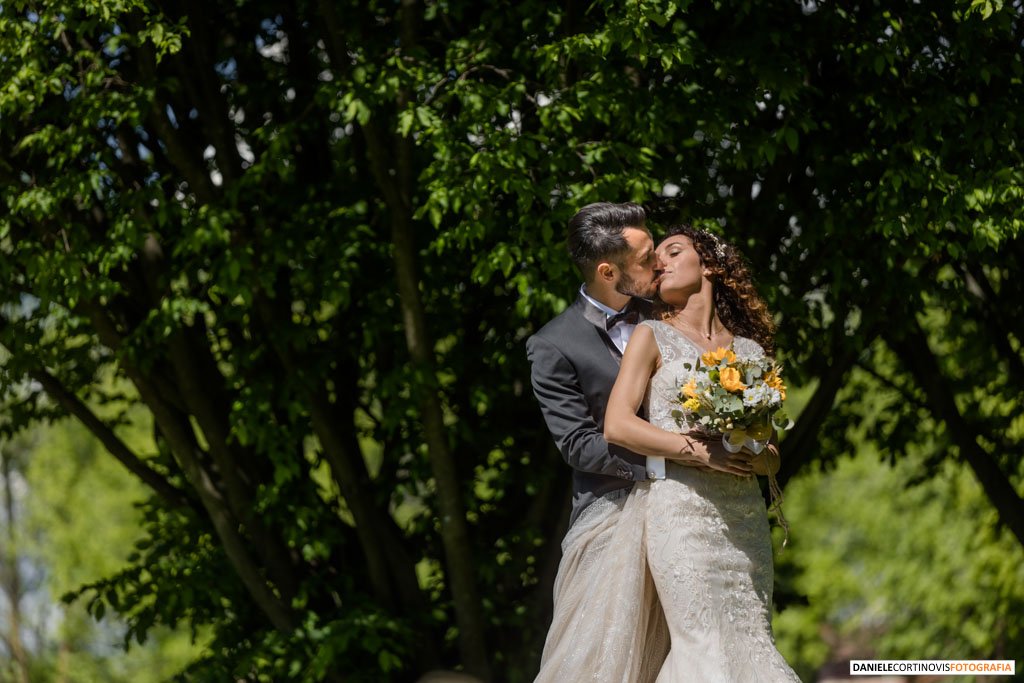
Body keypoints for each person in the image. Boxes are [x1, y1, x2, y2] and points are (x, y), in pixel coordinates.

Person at [527, 205, 755, 682]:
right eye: (648, 256)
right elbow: (578, 444)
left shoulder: (671, 315)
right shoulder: (554, 344)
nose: (659, 264)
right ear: (609, 271)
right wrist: (677, 456)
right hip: (612, 513)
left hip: (699, 512)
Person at [604, 224, 800, 682]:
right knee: (704, 645)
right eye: (657, 261)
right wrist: (695, 450)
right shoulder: (650, 336)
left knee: (752, 642)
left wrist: (751, 454)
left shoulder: (751, 353)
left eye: (673, 252)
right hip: (682, 513)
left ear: (709, 264)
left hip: (745, 523)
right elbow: (617, 424)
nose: (661, 263)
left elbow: (773, 456)